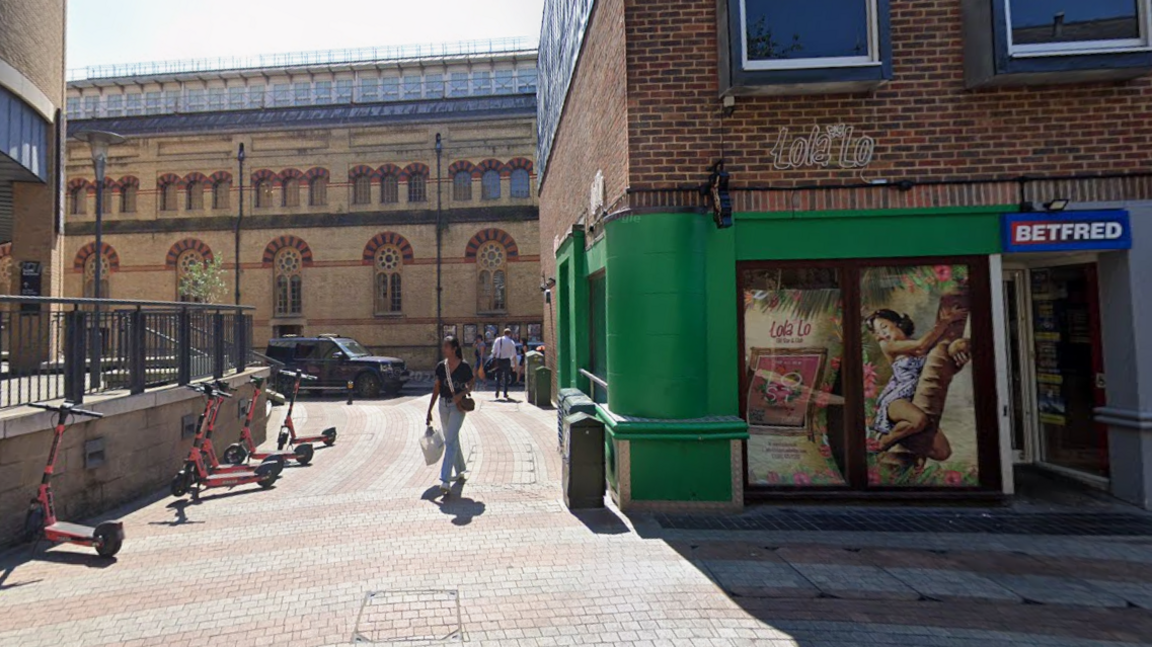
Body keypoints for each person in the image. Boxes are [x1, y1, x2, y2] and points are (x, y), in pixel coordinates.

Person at [867, 306, 971, 466]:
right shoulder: (888, 345)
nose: (882, 334)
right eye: (878, 332)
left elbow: (939, 363)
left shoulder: (913, 344)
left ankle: (903, 441)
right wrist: (945, 322)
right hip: (896, 399)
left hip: (915, 401)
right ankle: (882, 443)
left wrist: (958, 359)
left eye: (884, 327)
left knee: (943, 452)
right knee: (919, 420)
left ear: (897, 323)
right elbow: (921, 345)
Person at [426, 335, 474, 496]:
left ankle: (445, 480)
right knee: (452, 439)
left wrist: (461, 394)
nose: (443, 349)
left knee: (450, 440)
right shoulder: (441, 366)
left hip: (457, 407)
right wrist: (429, 410)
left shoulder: (464, 367)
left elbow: (471, 384)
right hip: (443, 405)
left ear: (454, 349)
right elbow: (437, 389)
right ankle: (460, 470)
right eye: (443, 346)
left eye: (446, 346)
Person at [490, 327, 517, 399]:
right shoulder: (511, 342)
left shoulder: (498, 340)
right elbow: (514, 354)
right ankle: (505, 393)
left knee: (498, 377)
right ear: (510, 334)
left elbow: (494, 351)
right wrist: (514, 365)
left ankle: (497, 392)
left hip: (499, 360)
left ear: (503, 333)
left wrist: (493, 358)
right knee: (506, 377)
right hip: (507, 360)